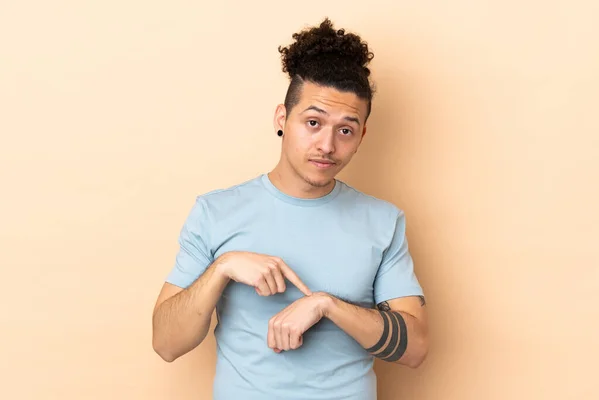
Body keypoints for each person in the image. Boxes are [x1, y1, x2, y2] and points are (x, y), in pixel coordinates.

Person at [152, 17, 429, 400]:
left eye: (345, 130)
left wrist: (327, 305)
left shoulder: (383, 221)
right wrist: (223, 267)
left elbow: (414, 348)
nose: (327, 145)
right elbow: (166, 344)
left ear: (361, 135)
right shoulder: (215, 212)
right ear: (282, 118)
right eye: (313, 122)